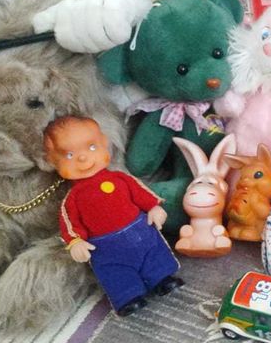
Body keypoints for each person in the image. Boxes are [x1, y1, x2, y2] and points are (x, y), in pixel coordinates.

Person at [44, 116, 183, 316]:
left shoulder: (120, 178)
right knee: (115, 273)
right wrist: (75, 242)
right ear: (53, 162)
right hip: (106, 247)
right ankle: (128, 297)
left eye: (92, 147)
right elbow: (70, 223)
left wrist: (154, 207)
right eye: (70, 154)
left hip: (140, 230)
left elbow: (141, 193)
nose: (83, 158)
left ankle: (162, 279)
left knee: (154, 254)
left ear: (104, 143)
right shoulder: (72, 198)